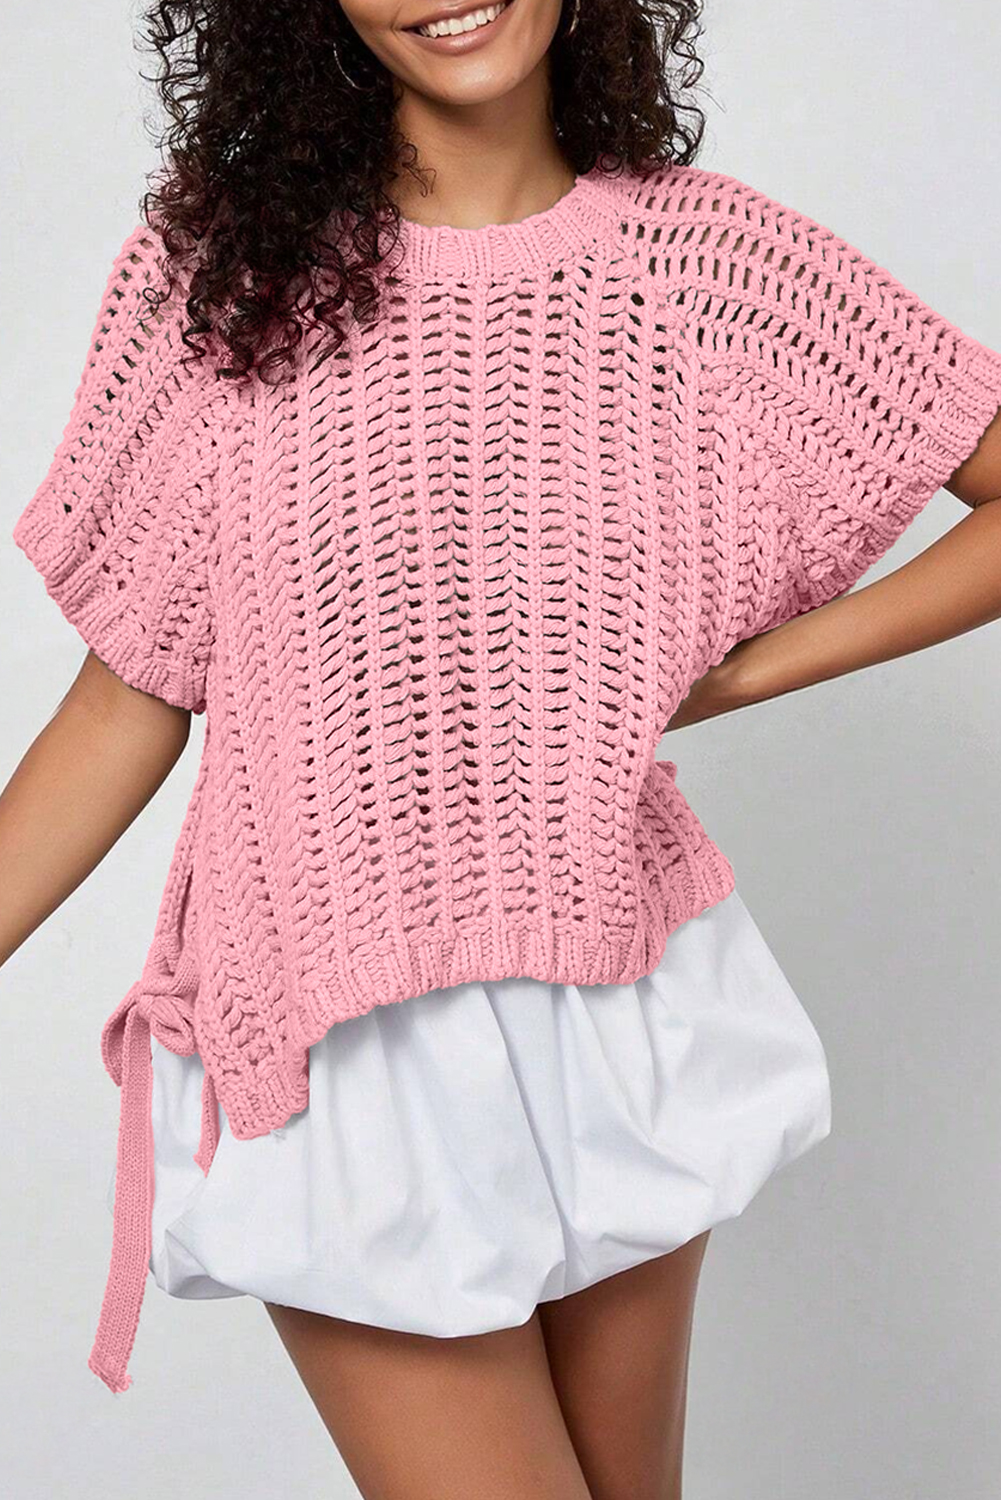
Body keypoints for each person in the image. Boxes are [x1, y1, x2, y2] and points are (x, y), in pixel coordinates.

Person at [3, 2, 1000, 1496]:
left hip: (611, 997)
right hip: (335, 1032)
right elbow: (127, 694)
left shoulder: (701, 266)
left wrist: (734, 674)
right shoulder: (224, 280)